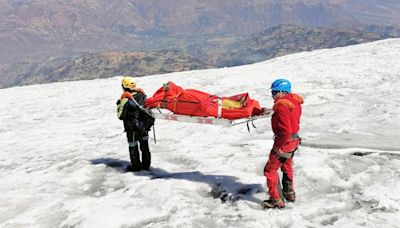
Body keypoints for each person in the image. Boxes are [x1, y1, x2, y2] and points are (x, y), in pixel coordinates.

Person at [263, 79, 304, 209]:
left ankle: (276, 199)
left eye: (274, 92)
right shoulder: (294, 100)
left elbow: (285, 131)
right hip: (294, 141)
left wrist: (277, 147)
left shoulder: (281, 106)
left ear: (282, 92)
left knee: (270, 170)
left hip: (284, 143)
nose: (273, 95)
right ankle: (289, 193)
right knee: (286, 165)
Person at [117, 76, 152, 172]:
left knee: (133, 146)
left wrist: (119, 104)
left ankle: (136, 167)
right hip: (144, 127)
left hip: (131, 128)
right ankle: (146, 166)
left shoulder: (125, 99)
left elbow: (120, 115)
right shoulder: (142, 95)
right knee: (145, 146)